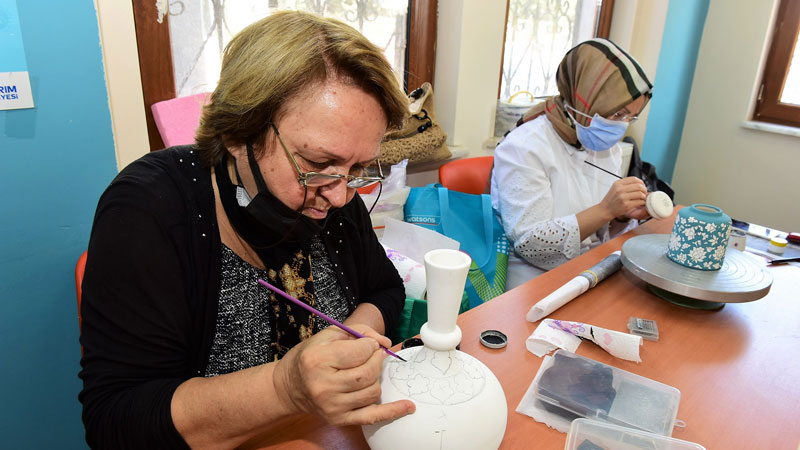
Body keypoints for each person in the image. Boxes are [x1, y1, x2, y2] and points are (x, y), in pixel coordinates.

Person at [79, 11, 415, 449]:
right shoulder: (148, 209)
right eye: (315, 165)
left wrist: (348, 342)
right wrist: (284, 388)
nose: (340, 197)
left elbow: (385, 289)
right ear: (240, 134)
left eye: (358, 169)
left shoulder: (334, 191)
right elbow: (116, 421)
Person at [491, 38, 654, 290]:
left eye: (631, 117)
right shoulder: (524, 147)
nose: (621, 126)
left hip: (591, 268)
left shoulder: (600, 141)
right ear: (584, 99)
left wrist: (622, 214)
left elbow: (603, 226)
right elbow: (530, 244)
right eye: (616, 114)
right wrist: (606, 210)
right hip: (534, 279)